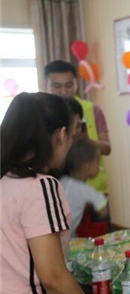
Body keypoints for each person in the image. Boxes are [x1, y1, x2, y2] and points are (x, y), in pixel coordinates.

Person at [0, 92, 111, 294]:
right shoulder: (41, 186)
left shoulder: (6, 181)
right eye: (71, 134)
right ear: (61, 135)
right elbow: (54, 277)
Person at [45, 60, 111, 195]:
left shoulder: (92, 109)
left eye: (69, 85)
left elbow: (107, 148)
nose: (63, 91)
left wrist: (87, 141)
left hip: (93, 189)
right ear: (45, 85)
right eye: (57, 86)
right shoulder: (42, 112)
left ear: (76, 84)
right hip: (56, 189)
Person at [60, 139, 109, 237]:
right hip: (66, 235)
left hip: (54, 231)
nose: (99, 167)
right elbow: (103, 211)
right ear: (87, 166)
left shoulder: (62, 181)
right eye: (97, 163)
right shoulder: (87, 191)